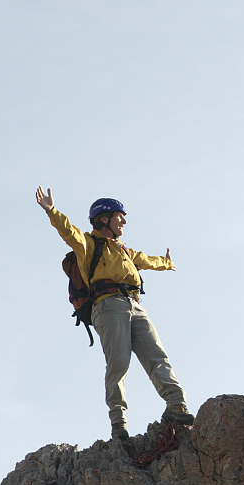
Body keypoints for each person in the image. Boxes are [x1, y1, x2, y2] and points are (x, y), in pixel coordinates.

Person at [35, 186, 191, 444]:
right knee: (119, 364)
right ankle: (119, 423)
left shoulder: (123, 251)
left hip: (134, 304)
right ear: (103, 218)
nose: (124, 221)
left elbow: (146, 260)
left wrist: (167, 263)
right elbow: (69, 232)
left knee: (156, 356)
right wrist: (52, 211)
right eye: (120, 216)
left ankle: (177, 405)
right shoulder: (89, 244)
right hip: (108, 306)